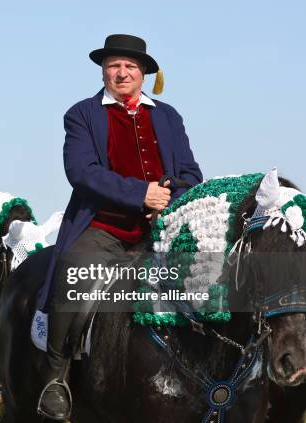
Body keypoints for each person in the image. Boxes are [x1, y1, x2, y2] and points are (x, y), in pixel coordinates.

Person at [36, 34, 203, 420]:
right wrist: (140, 194)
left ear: (144, 73)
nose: (122, 72)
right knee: (73, 281)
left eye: (130, 66)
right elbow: (81, 172)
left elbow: (191, 173)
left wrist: (168, 203)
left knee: (209, 285)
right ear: (103, 72)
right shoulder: (82, 114)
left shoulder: (168, 115)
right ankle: (55, 377)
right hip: (102, 227)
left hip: (161, 229)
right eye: (114, 66)